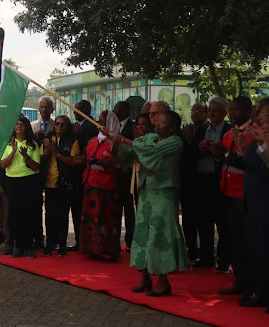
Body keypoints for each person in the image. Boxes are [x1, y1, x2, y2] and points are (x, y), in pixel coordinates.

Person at [107, 111, 189, 297]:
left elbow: (148, 152)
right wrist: (114, 139)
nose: (158, 124)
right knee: (143, 233)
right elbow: (129, 153)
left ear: (172, 127)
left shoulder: (175, 142)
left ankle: (163, 280)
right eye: (157, 121)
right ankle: (144, 276)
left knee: (161, 233)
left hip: (165, 192)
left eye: (163, 122)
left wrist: (125, 140)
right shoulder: (150, 137)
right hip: (146, 190)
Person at [211, 96, 254, 299]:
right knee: (232, 240)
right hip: (226, 191)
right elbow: (225, 159)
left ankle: (249, 284)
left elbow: (250, 163)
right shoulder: (229, 133)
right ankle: (239, 280)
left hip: (243, 194)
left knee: (245, 241)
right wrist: (217, 153)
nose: (233, 113)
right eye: (232, 110)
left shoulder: (253, 133)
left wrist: (229, 156)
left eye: (236, 110)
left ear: (248, 110)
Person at [235, 98, 269, 313]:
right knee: (257, 251)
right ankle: (262, 293)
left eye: (263, 113)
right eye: (258, 113)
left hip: (265, 204)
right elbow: (251, 167)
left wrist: (263, 144)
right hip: (254, 203)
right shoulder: (259, 139)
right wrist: (245, 149)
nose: (259, 118)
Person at [188, 97, 231, 270]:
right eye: (210, 109)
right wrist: (200, 148)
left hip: (219, 181)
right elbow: (191, 153)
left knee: (222, 223)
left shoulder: (229, 130)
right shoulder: (202, 129)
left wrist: (217, 152)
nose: (211, 113)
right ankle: (206, 257)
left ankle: (224, 260)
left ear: (224, 113)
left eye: (215, 110)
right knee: (203, 221)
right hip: (201, 181)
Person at [79, 112, 122, 262]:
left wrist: (103, 163)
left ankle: (109, 251)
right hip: (90, 185)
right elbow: (84, 158)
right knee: (91, 220)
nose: (99, 125)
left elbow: (119, 164)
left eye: (103, 122)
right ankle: (92, 249)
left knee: (108, 219)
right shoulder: (91, 141)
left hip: (107, 188)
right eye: (99, 122)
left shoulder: (115, 143)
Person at [0, 116, 42, 258]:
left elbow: (35, 167)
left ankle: (28, 246)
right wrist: (13, 151)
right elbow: (3, 165)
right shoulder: (9, 144)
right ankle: (16, 245)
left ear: (26, 128)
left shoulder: (33, 144)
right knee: (13, 215)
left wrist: (25, 156)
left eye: (22, 125)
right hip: (12, 181)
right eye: (16, 124)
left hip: (28, 181)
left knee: (28, 214)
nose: (19, 127)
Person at [40, 115, 82, 257]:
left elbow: (73, 162)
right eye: (57, 124)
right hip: (49, 183)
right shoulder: (48, 139)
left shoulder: (72, 141)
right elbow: (40, 158)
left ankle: (62, 246)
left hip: (64, 183)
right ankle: (50, 244)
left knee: (62, 216)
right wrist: (47, 150)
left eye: (62, 124)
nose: (59, 127)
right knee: (49, 216)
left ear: (67, 126)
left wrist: (57, 154)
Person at [180, 102, 208, 262]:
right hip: (187, 180)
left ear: (205, 113)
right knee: (188, 218)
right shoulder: (187, 128)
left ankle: (205, 253)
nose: (194, 113)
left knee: (203, 219)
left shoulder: (208, 130)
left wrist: (191, 141)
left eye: (198, 111)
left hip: (203, 180)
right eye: (192, 111)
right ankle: (191, 249)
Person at [70, 99, 98, 251]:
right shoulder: (75, 126)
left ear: (86, 110)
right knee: (76, 208)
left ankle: (86, 241)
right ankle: (78, 239)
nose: (74, 112)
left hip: (87, 173)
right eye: (74, 109)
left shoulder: (92, 127)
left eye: (77, 109)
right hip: (75, 173)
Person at [31, 96, 55, 249]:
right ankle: (38, 237)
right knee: (35, 205)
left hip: (52, 170)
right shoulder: (32, 126)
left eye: (47, 107)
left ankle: (53, 238)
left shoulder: (58, 124)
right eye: (41, 107)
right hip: (36, 171)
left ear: (52, 109)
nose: (44, 110)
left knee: (52, 207)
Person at [113, 101, 136, 252]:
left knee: (128, 208)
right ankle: (113, 240)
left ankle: (130, 240)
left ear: (125, 110)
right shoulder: (112, 126)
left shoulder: (133, 128)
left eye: (117, 108)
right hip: (113, 173)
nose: (114, 110)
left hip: (128, 173)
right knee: (114, 207)